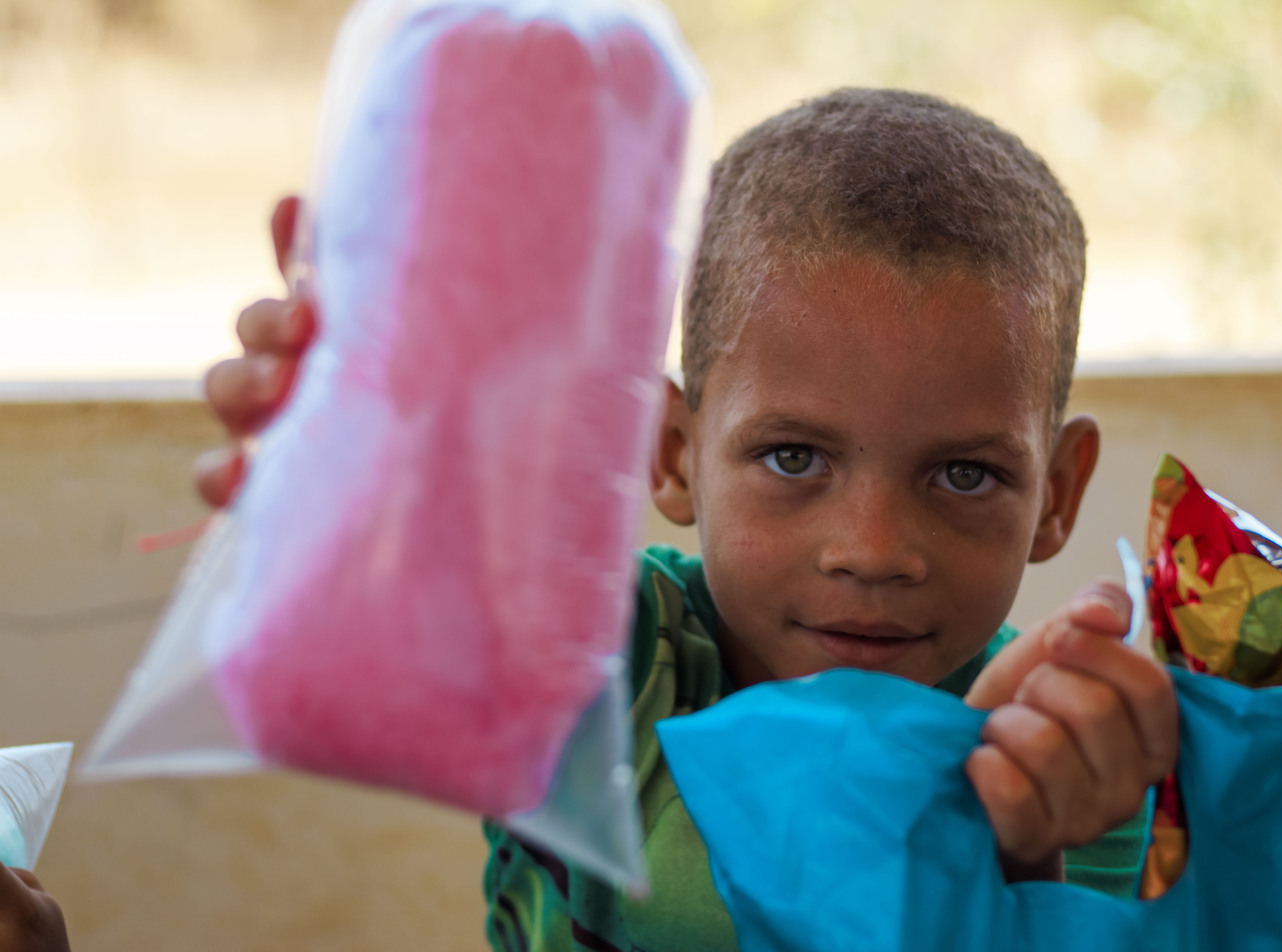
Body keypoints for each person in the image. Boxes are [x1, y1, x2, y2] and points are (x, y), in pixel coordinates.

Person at [0, 88, 1177, 952]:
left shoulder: (1095, 767)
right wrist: (358, 446)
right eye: (792, 457)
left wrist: (1018, 860)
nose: (872, 548)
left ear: (1057, 493)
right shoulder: (612, 672)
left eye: (962, 475)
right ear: (672, 454)